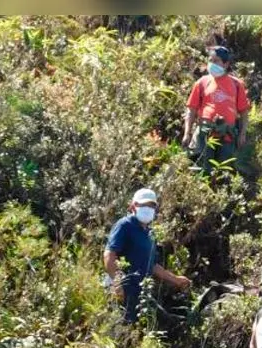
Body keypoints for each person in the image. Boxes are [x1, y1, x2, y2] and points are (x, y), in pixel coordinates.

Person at [103, 188, 191, 323]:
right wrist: (117, 283)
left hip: (141, 292)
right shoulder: (125, 225)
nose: (147, 209)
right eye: (143, 205)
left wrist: (176, 280)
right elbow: (109, 254)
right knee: (123, 328)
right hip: (123, 290)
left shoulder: (150, 234)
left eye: (151, 206)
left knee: (165, 323)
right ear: (133, 206)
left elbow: (152, 265)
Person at [182, 46, 251, 174]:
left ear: (226, 64)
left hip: (227, 134)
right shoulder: (202, 83)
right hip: (204, 132)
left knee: (223, 169)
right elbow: (191, 110)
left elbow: (243, 112)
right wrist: (187, 132)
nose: (212, 64)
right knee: (200, 166)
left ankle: (218, 191)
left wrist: (242, 134)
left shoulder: (237, 85)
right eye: (210, 60)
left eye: (216, 61)